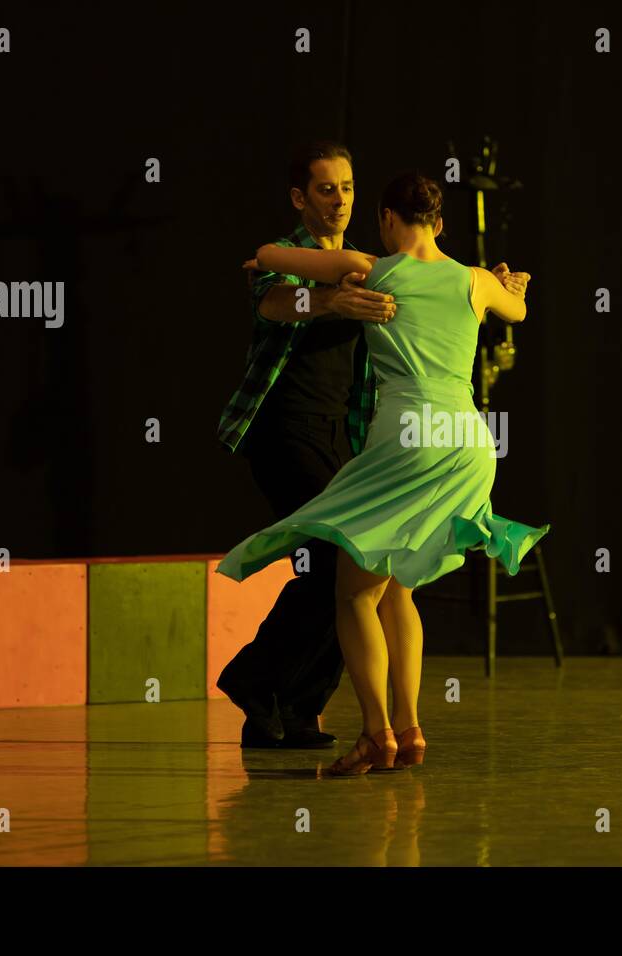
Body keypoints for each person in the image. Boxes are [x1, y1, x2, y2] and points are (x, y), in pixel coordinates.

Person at [216, 171, 549, 775]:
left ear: (388, 220)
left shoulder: (373, 267)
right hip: (470, 441)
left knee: (353, 594)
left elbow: (269, 256)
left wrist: (282, 263)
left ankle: (377, 734)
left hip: (408, 438)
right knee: (399, 587)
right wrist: (506, 284)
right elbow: (519, 310)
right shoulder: (474, 281)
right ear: (441, 223)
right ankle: (411, 729)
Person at [214, 142, 396, 749]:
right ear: (301, 197)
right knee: (333, 566)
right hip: (284, 427)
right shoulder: (289, 260)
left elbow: (431, 282)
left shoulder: (367, 264)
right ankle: (255, 680)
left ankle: (292, 705)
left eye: (347, 188)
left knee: (351, 571)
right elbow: (273, 302)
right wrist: (327, 301)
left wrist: (489, 281)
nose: (340, 200)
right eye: (326, 189)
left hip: (343, 435)